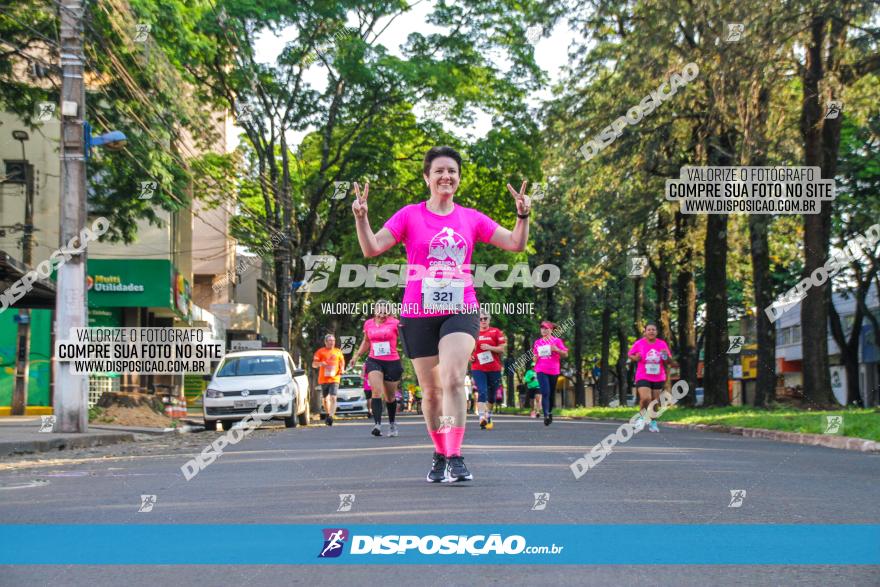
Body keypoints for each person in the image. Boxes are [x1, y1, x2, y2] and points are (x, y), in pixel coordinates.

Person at [352, 145, 531, 483]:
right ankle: (440, 451)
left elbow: (515, 244)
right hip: (418, 311)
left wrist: (523, 217)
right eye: (439, 171)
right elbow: (371, 248)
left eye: (452, 171)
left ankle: (456, 454)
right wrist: (362, 219)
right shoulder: (409, 215)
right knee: (431, 392)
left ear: (458, 179)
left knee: (452, 377)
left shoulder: (471, 218)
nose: (446, 176)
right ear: (427, 178)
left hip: (460, 307)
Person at [350, 300, 404, 437]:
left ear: (389, 311)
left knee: (390, 397)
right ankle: (377, 425)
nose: (382, 313)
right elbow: (366, 341)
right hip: (374, 360)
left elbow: (406, 339)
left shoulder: (395, 323)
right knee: (376, 392)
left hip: (392, 362)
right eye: (379, 310)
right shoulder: (368, 323)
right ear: (375, 310)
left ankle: (392, 424)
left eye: (385, 310)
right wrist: (356, 356)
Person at [627, 323, 673, 432]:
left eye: (653, 329)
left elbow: (669, 361)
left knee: (655, 401)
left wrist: (665, 355)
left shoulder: (662, 344)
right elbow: (630, 355)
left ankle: (653, 422)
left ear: (656, 332)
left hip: (658, 376)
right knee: (645, 398)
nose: (651, 331)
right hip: (643, 375)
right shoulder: (639, 343)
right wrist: (636, 358)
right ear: (645, 332)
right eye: (649, 330)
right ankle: (642, 418)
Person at [470, 310, 506, 430]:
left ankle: (488, 415)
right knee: (482, 391)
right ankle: (481, 418)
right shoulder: (473, 332)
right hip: (478, 367)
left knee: (492, 396)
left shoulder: (496, 332)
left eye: (485, 318)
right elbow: (467, 348)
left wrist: (490, 347)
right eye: (480, 319)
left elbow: (502, 349)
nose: (483, 321)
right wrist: (469, 356)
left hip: (494, 368)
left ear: (489, 319)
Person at [533, 321, 569, 426]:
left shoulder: (557, 341)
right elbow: (535, 358)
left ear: (551, 330)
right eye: (542, 328)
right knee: (545, 392)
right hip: (540, 370)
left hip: (553, 370)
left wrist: (556, 349)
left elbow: (565, 354)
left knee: (551, 393)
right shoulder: (537, 342)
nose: (543, 330)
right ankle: (546, 415)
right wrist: (535, 357)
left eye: (546, 328)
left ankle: (550, 412)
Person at [312, 334, 345, 426]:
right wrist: (320, 363)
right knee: (325, 399)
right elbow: (314, 364)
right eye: (330, 340)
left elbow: (342, 363)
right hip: (323, 379)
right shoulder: (320, 352)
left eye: (333, 340)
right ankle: (327, 414)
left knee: (333, 397)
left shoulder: (338, 351)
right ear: (325, 342)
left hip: (335, 378)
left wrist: (342, 369)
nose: (332, 342)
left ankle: (330, 416)